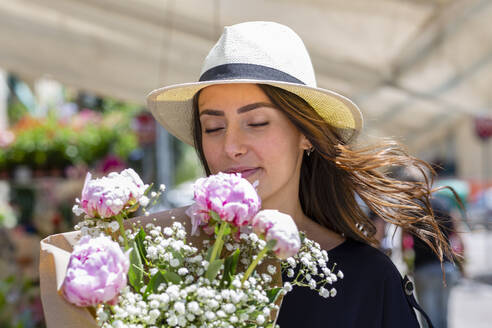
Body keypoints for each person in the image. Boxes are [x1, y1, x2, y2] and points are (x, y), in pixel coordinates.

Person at [40, 21, 452, 327]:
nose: (231, 146)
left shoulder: (367, 279)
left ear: (306, 134)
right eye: (213, 127)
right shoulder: (152, 265)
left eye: (256, 122)